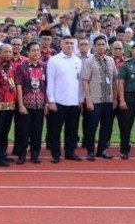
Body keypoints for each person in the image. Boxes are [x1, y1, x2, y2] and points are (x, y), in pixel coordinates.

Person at [46, 36, 84, 164]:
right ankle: (55, 154)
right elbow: (50, 81)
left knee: (72, 130)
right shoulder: (54, 60)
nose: (69, 46)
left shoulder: (78, 61)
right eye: (66, 43)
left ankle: (70, 152)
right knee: (55, 130)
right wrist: (51, 100)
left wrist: (80, 99)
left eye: (72, 43)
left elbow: (80, 82)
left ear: (75, 45)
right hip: (58, 102)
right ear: (61, 45)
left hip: (74, 102)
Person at [81, 36, 117, 161]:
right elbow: (85, 81)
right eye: (99, 45)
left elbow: (114, 80)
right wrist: (88, 99)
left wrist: (115, 98)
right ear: (94, 46)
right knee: (92, 127)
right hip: (95, 100)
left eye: (103, 44)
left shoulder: (111, 61)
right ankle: (90, 151)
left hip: (108, 100)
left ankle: (101, 150)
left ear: (106, 45)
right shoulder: (89, 61)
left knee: (106, 127)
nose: (101, 47)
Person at [14, 42, 49, 164]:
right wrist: (21, 104)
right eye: (33, 50)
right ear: (28, 52)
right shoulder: (21, 67)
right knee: (23, 131)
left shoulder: (44, 66)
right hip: (26, 105)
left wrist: (46, 104)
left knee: (37, 130)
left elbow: (47, 86)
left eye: (38, 50)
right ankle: (21, 154)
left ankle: (35, 153)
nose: (36, 53)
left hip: (40, 105)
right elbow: (18, 86)